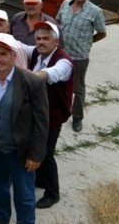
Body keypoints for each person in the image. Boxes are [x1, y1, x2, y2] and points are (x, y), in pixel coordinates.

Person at [0, 33, 49, 224]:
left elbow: (42, 122)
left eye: (3, 54)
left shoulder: (32, 82)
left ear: (13, 56)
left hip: (21, 152)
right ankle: (0, 215)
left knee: (24, 194)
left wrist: (36, 155)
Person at [29, 21, 73, 209]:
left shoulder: (64, 62)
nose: (41, 42)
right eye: (38, 38)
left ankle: (53, 193)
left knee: (46, 154)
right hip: (38, 115)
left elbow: (50, 74)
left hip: (53, 117)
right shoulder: (37, 55)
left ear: (56, 42)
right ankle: (40, 180)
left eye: (46, 38)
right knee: (38, 149)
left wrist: (24, 76)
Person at [56, 0, 107, 132]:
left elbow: (102, 33)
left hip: (79, 57)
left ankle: (77, 117)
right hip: (61, 53)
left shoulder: (95, 11)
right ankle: (59, 110)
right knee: (58, 84)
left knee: (77, 89)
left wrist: (88, 42)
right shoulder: (65, 4)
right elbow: (58, 22)